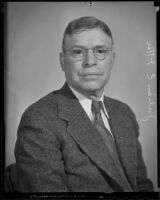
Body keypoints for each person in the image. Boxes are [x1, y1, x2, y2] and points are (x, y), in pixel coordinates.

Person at [13, 16, 153, 192]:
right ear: (62, 61)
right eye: (78, 52)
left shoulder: (124, 113)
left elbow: (142, 185)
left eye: (100, 51)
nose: (90, 61)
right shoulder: (39, 120)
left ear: (112, 59)